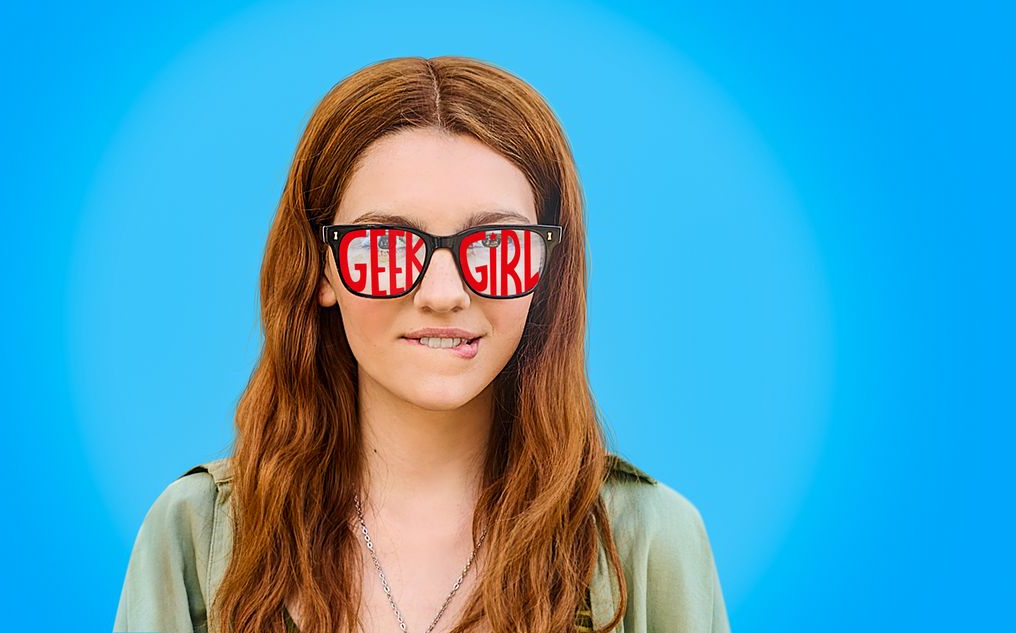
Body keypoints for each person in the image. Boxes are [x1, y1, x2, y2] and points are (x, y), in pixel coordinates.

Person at [113, 55, 730, 633]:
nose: (443, 293)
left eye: (496, 246)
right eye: (384, 245)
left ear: (546, 275)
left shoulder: (649, 540)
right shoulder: (195, 533)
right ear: (321, 268)